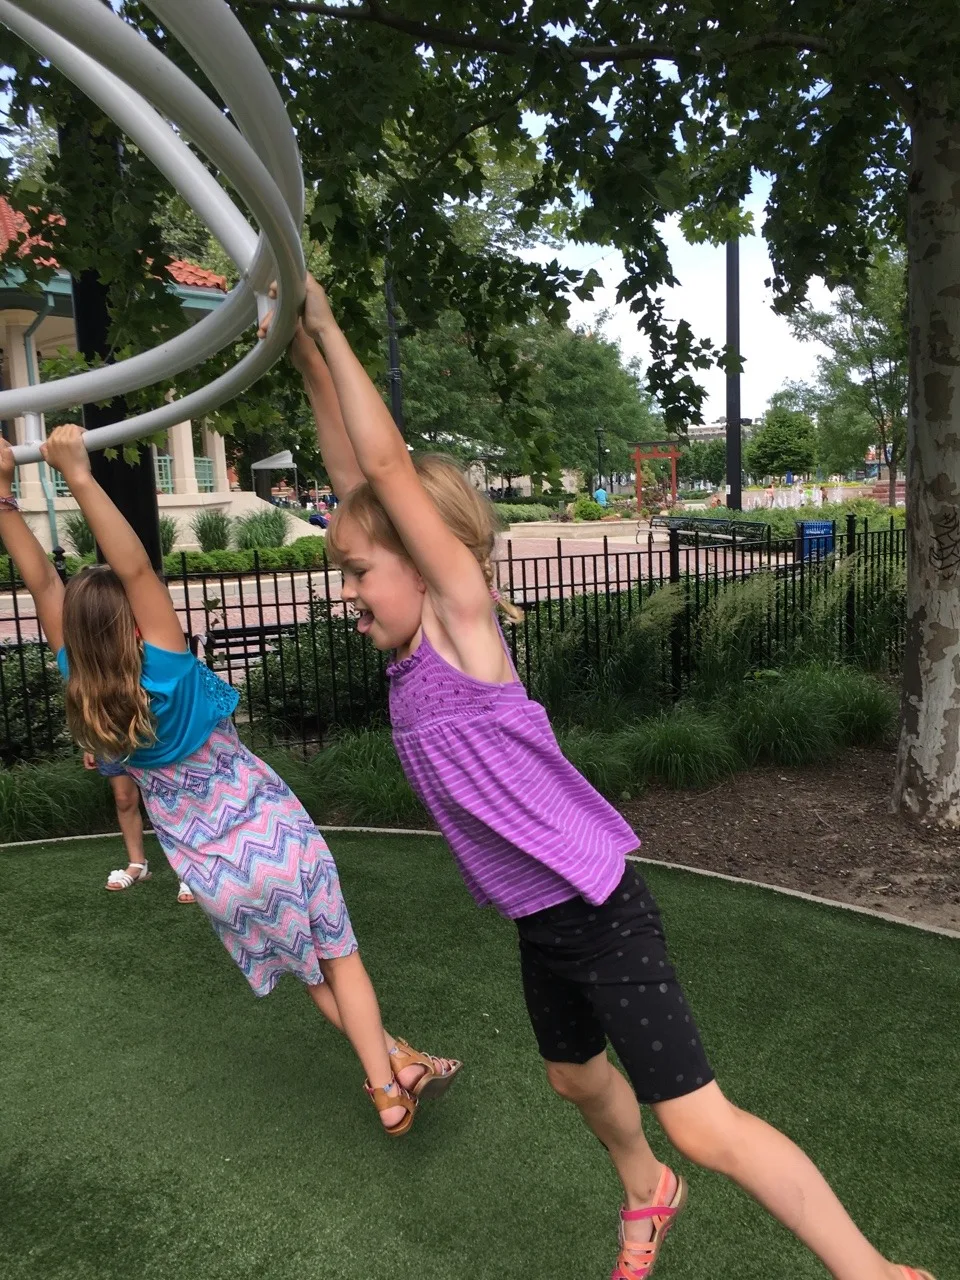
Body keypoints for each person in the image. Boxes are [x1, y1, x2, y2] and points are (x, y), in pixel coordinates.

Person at [281, 272, 935, 1280]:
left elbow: (379, 463)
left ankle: (874, 1269)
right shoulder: (410, 654)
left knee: (703, 1124)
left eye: (360, 571)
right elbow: (352, 471)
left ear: (427, 556)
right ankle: (646, 1190)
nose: (349, 592)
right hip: (543, 921)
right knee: (571, 1075)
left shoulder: (462, 630)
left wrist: (328, 320)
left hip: (598, 907)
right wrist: (300, 355)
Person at [0, 427, 459, 1138]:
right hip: (275, 834)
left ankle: (395, 1072)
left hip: (214, 871)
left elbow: (39, 581)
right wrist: (78, 477)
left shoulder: (80, 680)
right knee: (343, 960)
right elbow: (138, 572)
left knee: (317, 977)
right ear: (134, 619)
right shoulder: (166, 665)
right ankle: (387, 1083)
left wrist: (3, 498)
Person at [85, 751, 195, 903]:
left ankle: (191, 871)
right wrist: (90, 744)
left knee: (174, 796)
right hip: (115, 735)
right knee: (123, 798)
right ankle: (138, 865)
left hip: (156, 731)